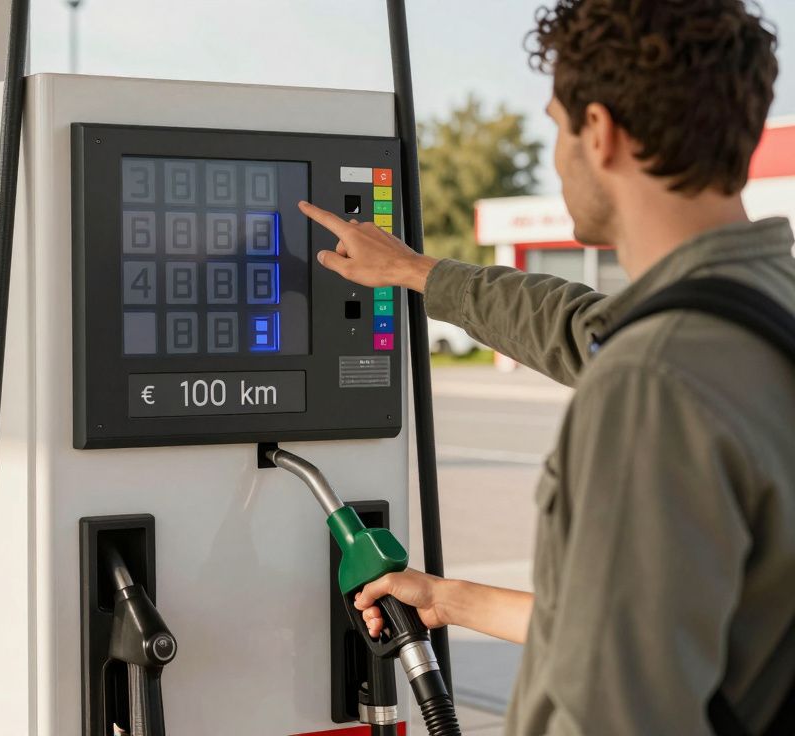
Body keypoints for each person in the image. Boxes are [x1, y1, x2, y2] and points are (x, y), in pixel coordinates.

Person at [300, 1, 793, 733]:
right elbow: (671, 633)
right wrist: (449, 600)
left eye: (558, 126)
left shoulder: (652, 384)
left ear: (600, 133)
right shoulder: (759, 309)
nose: (557, 154)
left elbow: (619, 707)